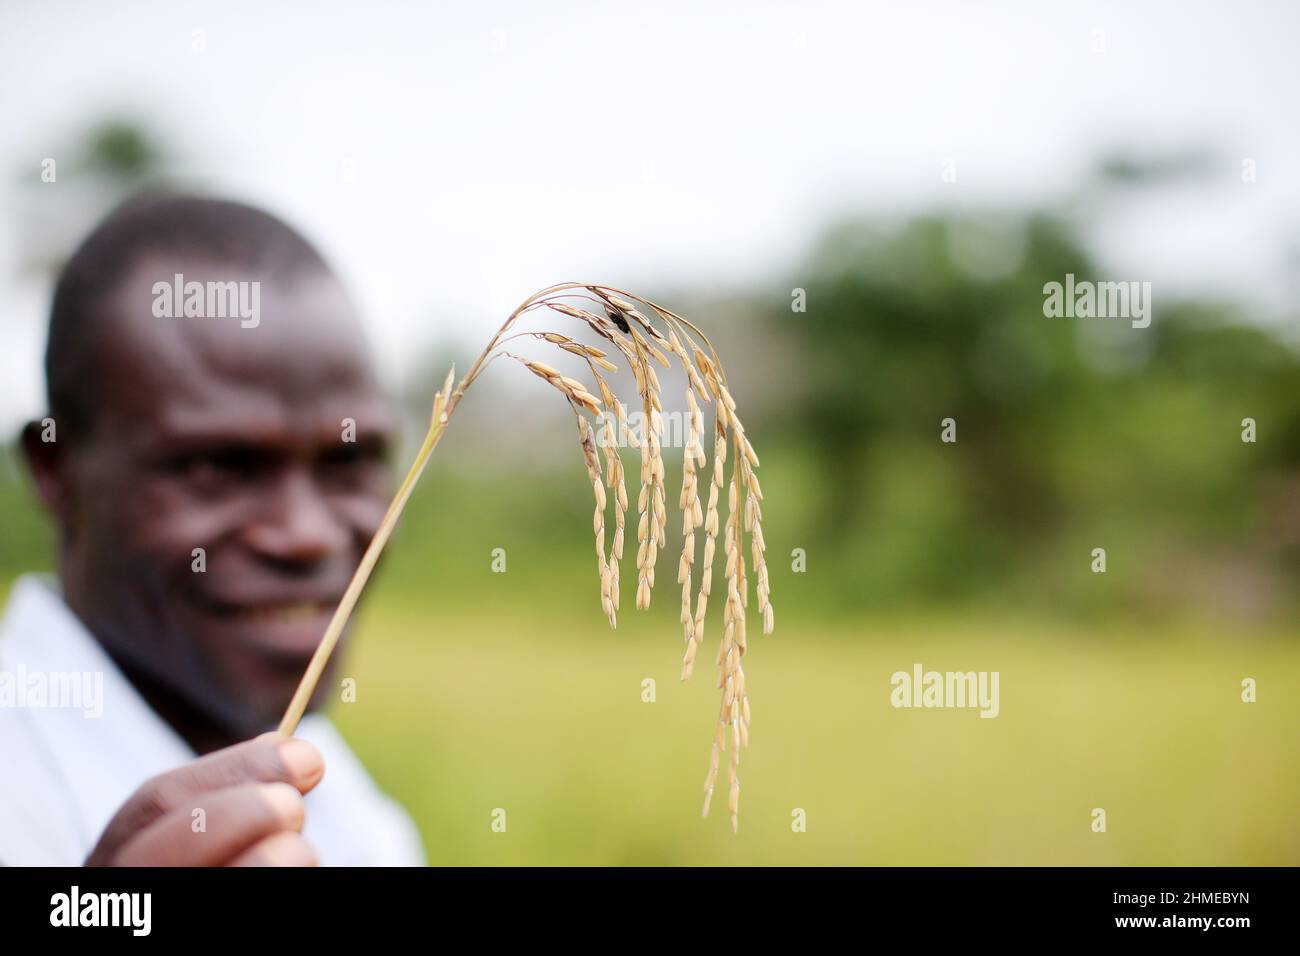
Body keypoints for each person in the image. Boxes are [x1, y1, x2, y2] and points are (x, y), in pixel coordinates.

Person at [0, 195, 424, 865]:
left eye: (349, 461)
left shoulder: (357, 819)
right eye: (218, 466)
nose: (307, 534)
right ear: (56, 468)